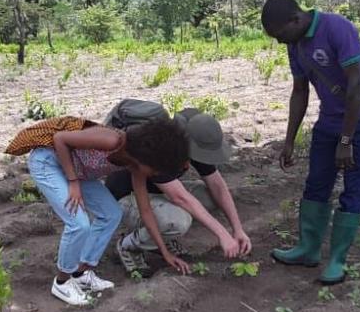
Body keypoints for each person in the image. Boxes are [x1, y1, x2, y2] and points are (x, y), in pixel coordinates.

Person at [261, 0, 360, 285]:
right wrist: (289, 140)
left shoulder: (337, 27)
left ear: (296, 19)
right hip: (327, 122)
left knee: (354, 190)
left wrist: (346, 141)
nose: (279, 42)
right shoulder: (296, 44)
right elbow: (300, 91)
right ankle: (308, 249)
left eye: (280, 34)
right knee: (316, 184)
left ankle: (337, 260)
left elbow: (355, 86)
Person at [15, 118, 191, 305]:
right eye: (156, 169)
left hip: (77, 171)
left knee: (111, 214)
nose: (155, 174)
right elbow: (60, 139)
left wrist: (165, 252)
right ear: (147, 156)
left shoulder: (135, 167)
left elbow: (145, 210)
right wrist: (73, 182)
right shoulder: (113, 140)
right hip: (49, 161)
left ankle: (81, 273)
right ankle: (62, 282)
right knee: (79, 224)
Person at [106, 107, 252, 276]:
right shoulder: (164, 146)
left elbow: (217, 185)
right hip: (127, 197)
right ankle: (129, 245)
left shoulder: (195, 142)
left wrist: (237, 229)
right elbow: (180, 198)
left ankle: (161, 238)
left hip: (158, 194)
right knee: (178, 220)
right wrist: (223, 234)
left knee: (211, 197)